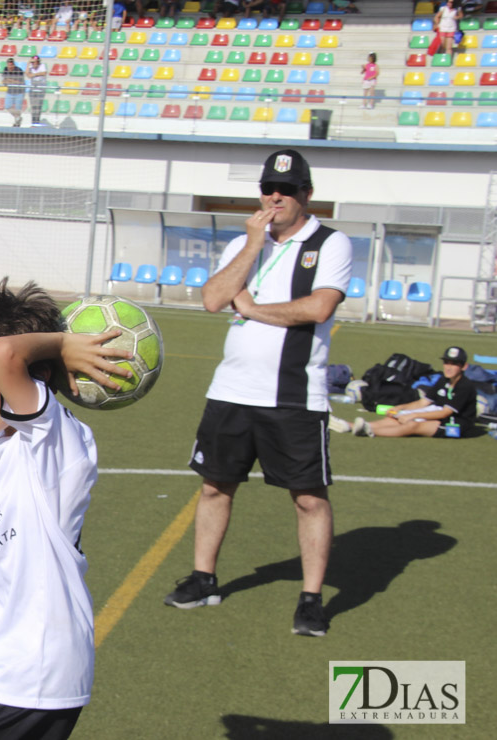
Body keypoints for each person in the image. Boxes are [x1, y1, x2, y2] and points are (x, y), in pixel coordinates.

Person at [0, 279, 132, 740]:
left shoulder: (53, 439)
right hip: (6, 665)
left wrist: (61, 345)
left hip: (33, 672)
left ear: (40, 376)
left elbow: (3, 355)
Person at [164, 149, 353, 638]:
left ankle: (311, 599)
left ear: (306, 195)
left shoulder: (331, 243)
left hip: (294, 395)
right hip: (231, 390)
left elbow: (317, 308)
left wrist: (249, 307)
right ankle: (204, 579)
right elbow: (211, 300)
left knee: (309, 499)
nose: (276, 197)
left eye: (287, 190)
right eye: (269, 188)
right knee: (213, 486)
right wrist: (252, 244)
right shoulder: (244, 243)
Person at [339, 347, 479, 438]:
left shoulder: (465, 386)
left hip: (458, 425)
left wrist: (413, 415)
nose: (449, 367)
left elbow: (445, 413)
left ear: (464, 367)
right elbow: (423, 402)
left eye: (454, 364)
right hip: (440, 415)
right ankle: (350, 425)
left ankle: (368, 430)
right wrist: (400, 408)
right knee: (395, 417)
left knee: (413, 425)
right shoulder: (443, 380)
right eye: (447, 363)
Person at [3, 57, 26, 127]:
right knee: (7, 106)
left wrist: (10, 80)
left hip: (19, 92)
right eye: (8, 65)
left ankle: (17, 122)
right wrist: (12, 81)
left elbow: (20, 82)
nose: (9, 67)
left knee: (18, 108)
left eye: (11, 65)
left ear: (13, 65)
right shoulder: (5, 69)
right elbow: (4, 81)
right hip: (10, 91)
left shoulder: (19, 70)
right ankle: (17, 118)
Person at [25, 54, 48, 125]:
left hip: (40, 90)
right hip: (33, 90)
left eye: (34, 62)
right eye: (32, 62)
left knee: (38, 107)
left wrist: (34, 74)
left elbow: (44, 73)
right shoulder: (31, 67)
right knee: (33, 107)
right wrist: (28, 63)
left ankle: (37, 122)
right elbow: (27, 74)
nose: (33, 64)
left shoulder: (42, 66)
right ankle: (33, 122)